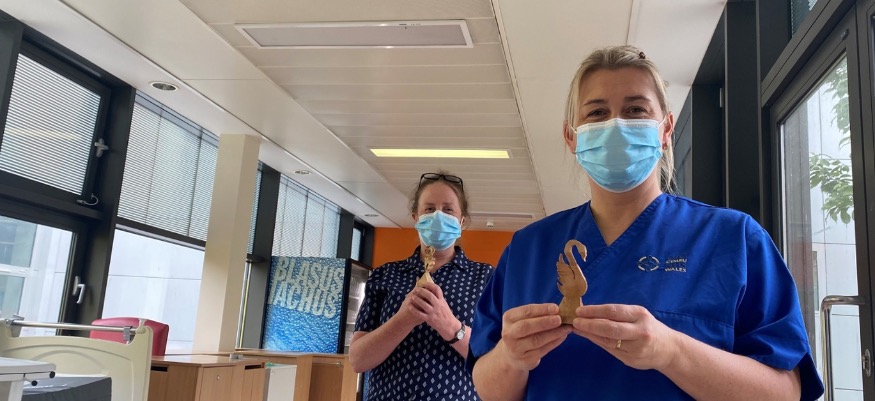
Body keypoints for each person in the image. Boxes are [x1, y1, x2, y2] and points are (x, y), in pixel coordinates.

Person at [467, 45, 824, 401]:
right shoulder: (528, 250)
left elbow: (785, 392)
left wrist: (671, 351)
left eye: (635, 110)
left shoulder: (733, 239)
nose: (616, 125)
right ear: (571, 137)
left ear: (665, 129)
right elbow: (488, 388)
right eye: (597, 113)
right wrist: (511, 358)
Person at [350, 171, 494, 401]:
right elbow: (358, 360)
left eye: (448, 210)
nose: (438, 216)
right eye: (429, 209)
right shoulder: (385, 275)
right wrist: (403, 319)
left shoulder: (485, 278)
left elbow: (496, 358)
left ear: (462, 221)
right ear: (416, 217)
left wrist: (448, 324)